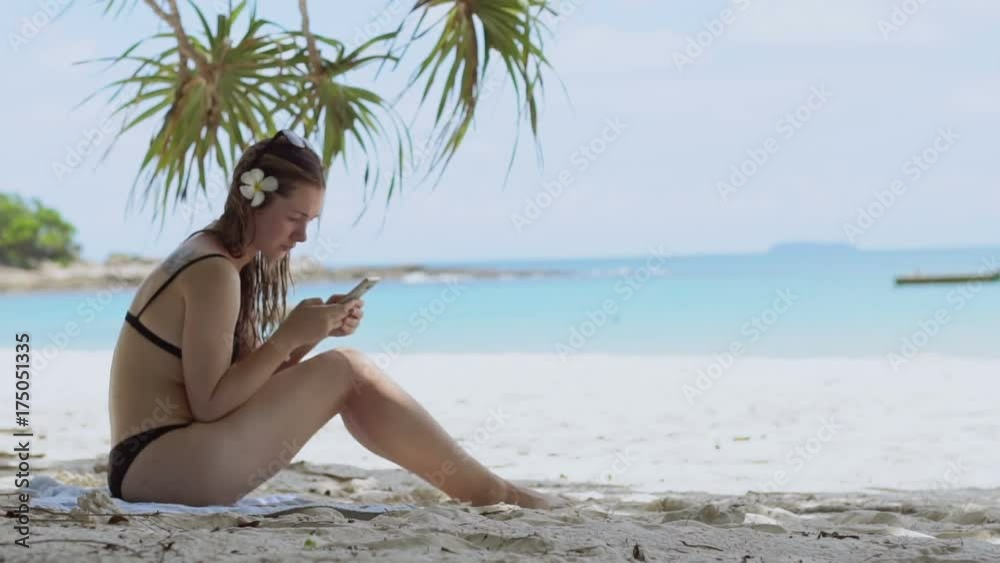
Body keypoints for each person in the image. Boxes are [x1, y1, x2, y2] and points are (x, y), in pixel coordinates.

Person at [106, 130, 565, 509]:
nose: (303, 235)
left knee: (344, 371)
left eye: (312, 221)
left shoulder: (216, 257)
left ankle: (487, 490)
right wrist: (286, 338)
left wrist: (307, 334)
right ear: (254, 200)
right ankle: (492, 493)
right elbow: (210, 404)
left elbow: (237, 392)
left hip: (161, 464)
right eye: (294, 218)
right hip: (162, 467)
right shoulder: (213, 272)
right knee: (346, 369)